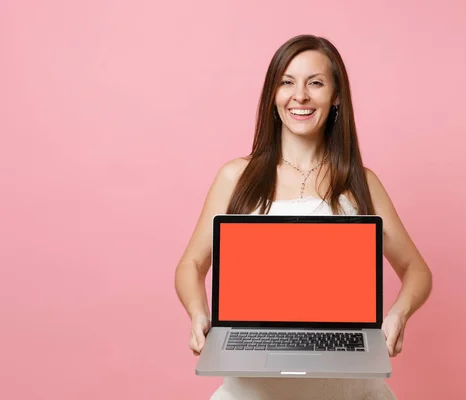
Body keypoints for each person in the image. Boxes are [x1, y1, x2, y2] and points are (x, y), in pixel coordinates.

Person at [175, 34, 433, 400]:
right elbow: (192, 263)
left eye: (315, 83)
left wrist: (397, 315)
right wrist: (198, 312)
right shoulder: (236, 177)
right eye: (287, 82)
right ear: (272, 95)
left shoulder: (360, 182)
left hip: (348, 391)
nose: (300, 96)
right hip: (253, 391)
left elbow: (417, 269)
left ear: (336, 95)